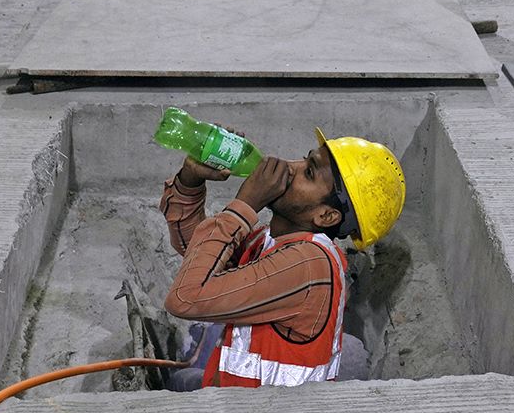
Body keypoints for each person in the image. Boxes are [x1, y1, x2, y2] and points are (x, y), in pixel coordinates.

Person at [159, 127, 405, 389]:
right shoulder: (270, 241)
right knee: (181, 382)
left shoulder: (310, 264)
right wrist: (190, 183)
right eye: (303, 159)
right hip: (232, 400)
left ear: (326, 216)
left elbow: (185, 298)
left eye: (308, 172)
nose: (289, 167)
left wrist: (245, 205)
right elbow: (197, 257)